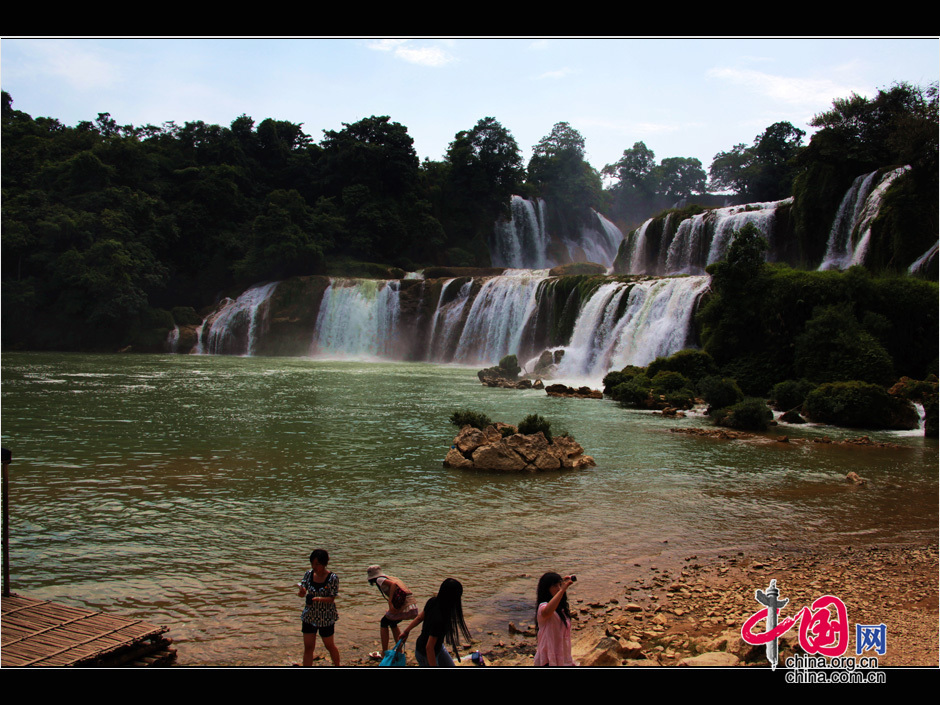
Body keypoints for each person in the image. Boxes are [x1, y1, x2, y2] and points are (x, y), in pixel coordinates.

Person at [399, 578, 471, 667]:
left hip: (438, 648)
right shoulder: (440, 619)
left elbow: (419, 618)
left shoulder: (433, 601)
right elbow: (429, 647)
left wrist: (406, 631)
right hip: (425, 654)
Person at [297, 548, 340, 666]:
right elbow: (302, 593)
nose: (314, 566)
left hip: (325, 617)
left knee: (329, 645)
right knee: (308, 647)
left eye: (317, 564)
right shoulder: (308, 574)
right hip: (309, 616)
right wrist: (301, 592)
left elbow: (332, 598)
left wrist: (318, 599)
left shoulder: (332, 578)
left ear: (324, 564)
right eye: (312, 563)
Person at [367, 565, 419, 653]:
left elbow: (393, 585)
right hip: (411, 605)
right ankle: (399, 649)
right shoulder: (390, 577)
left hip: (406, 606)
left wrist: (390, 601)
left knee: (384, 622)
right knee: (392, 623)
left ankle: (384, 651)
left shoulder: (379, 580)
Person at [533, 572, 575, 666]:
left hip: (562, 657)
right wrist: (562, 590)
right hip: (548, 659)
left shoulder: (561, 610)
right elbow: (547, 612)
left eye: (559, 585)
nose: (558, 588)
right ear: (546, 589)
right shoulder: (543, 607)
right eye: (555, 586)